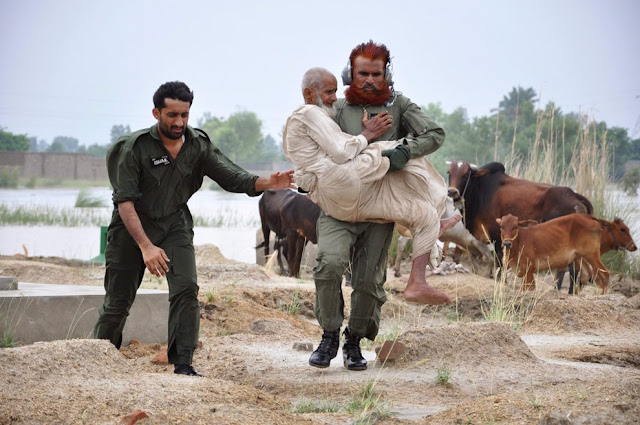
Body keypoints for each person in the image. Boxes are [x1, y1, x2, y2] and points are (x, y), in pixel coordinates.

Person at [93, 81, 294, 377]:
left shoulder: (197, 145)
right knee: (117, 303)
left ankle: (183, 363)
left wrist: (267, 183)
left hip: (174, 224)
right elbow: (124, 203)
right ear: (156, 113)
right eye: (172, 115)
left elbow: (231, 177)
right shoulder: (135, 148)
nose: (179, 122)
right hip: (132, 227)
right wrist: (146, 247)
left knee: (186, 289)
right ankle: (99, 360)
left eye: (184, 115)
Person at [289, 41, 451, 371]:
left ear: (386, 74)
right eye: (362, 73)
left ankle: (353, 342)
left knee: (368, 281)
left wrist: (407, 149)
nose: (369, 81)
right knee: (329, 265)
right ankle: (329, 335)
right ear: (351, 73)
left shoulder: (400, 105)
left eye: (376, 74)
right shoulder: (334, 107)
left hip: (382, 208)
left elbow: (435, 133)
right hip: (339, 208)